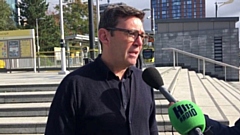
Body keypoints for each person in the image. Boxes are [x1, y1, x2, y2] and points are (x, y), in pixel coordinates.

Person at [45, 5, 158, 135]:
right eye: (132, 34)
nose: (139, 42)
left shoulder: (144, 81)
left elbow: (152, 130)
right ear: (104, 36)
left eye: (142, 36)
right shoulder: (75, 86)